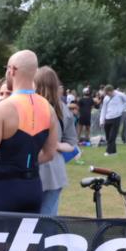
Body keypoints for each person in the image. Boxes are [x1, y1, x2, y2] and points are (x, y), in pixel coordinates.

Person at [0, 50, 59, 214]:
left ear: (12, 70)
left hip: (4, 188)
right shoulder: (48, 108)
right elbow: (49, 154)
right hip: (33, 187)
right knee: (26, 239)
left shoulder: (1, 109)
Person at [35, 67, 78, 216]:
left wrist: (54, 144)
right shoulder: (62, 109)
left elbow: (71, 144)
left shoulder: (62, 110)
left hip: (47, 171)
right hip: (49, 172)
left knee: (42, 220)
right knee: (46, 219)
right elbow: (71, 144)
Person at [98, 85, 126, 156]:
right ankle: (114, 152)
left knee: (112, 136)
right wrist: (101, 120)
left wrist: (121, 108)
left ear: (111, 91)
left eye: (107, 93)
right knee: (108, 136)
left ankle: (108, 151)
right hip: (107, 118)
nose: (106, 95)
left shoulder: (120, 95)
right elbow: (103, 109)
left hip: (116, 117)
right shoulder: (106, 98)